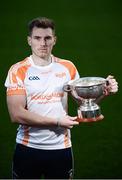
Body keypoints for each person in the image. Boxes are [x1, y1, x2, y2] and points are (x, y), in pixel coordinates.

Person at [4, 17, 118, 179]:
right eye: (37, 38)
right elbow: (16, 114)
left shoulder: (67, 67)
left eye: (47, 38)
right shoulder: (18, 70)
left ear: (54, 40)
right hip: (28, 148)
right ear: (29, 40)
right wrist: (57, 121)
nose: (43, 43)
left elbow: (82, 102)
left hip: (61, 148)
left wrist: (102, 91)